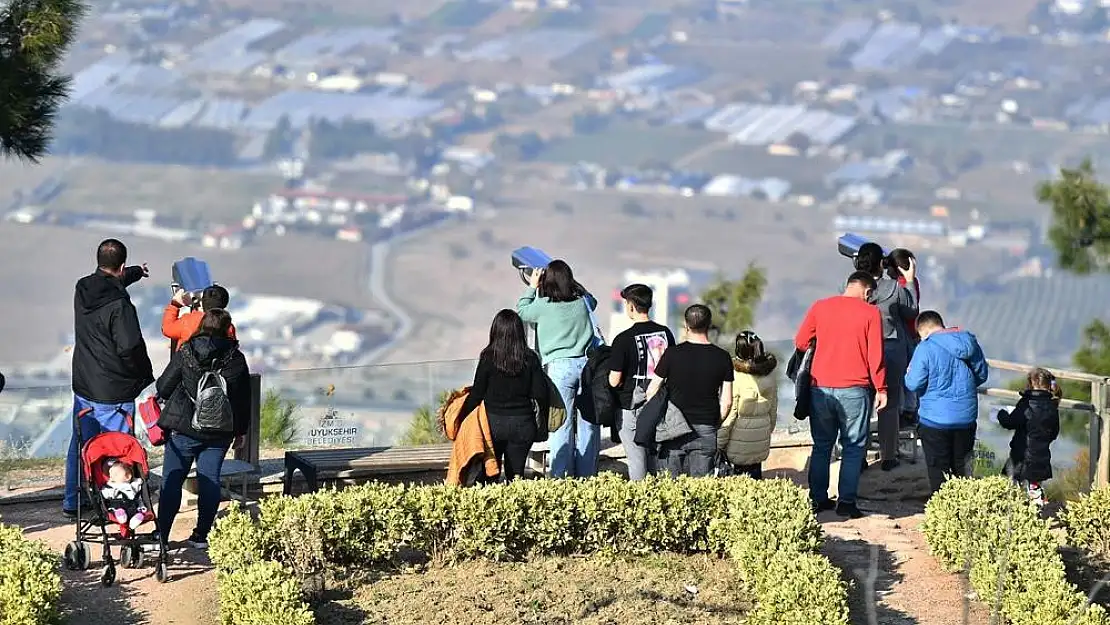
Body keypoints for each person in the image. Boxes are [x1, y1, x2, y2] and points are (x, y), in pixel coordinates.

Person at [64, 239, 155, 517]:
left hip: (84, 384)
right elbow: (130, 347)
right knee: (118, 449)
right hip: (115, 390)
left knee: (82, 444)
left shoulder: (83, 288)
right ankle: (118, 505)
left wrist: (137, 272)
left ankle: (73, 501)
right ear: (121, 265)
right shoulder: (121, 307)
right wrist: (144, 375)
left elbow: (110, 281)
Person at [155, 309, 251, 549]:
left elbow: (164, 387)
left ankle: (162, 536)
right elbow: (242, 399)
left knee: (172, 481)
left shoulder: (186, 351)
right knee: (210, 481)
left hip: (184, 428)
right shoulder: (236, 357)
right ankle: (201, 535)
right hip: (220, 432)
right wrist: (240, 431)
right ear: (228, 328)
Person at [795, 271, 886, 519]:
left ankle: (817, 499)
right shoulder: (871, 313)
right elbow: (875, 356)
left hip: (819, 389)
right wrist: (881, 388)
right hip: (855, 390)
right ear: (867, 291)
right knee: (854, 447)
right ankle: (846, 502)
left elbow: (801, 342)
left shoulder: (820, 307)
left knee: (822, 445)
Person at [517, 260, 598, 478]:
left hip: (559, 369)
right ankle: (587, 477)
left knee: (561, 424)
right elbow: (593, 300)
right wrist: (572, 283)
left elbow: (522, 310)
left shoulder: (543, 306)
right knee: (588, 424)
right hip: (585, 366)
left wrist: (532, 285)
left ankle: (561, 478)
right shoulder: (582, 303)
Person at [459, 309, 551, 481]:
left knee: (489, 475)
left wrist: (462, 418)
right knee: (516, 477)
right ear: (519, 332)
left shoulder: (488, 357)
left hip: (493, 425)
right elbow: (540, 394)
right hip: (523, 425)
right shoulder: (530, 358)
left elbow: (477, 394)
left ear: (495, 331)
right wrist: (541, 425)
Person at [904, 310, 989, 495]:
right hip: (965, 417)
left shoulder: (925, 348)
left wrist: (909, 371)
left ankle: (943, 512)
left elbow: (913, 383)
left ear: (923, 331)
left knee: (938, 469)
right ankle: (964, 510)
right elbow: (982, 374)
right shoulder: (968, 341)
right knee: (962, 468)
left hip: (934, 419)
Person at [645, 304, 733, 478]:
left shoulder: (672, 354)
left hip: (673, 429)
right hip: (706, 428)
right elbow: (727, 401)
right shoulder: (722, 357)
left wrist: (661, 417)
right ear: (709, 325)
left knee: (670, 490)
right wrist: (714, 423)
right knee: (701, 492)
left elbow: (652, 390)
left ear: (686, 325)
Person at [855, 242, 918, 470]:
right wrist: (909, 280)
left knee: (862, 403)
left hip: (860, 350)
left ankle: (858, 455)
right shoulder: (894, 288)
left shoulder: (851, 287)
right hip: (890, 349)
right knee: (889, 405)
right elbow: (911, 310)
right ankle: (888, 456)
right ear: (882, 264)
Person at [607, 284, 676, 480]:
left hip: (632, 406)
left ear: (630, 306)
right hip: (661, 403)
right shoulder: (666, 333)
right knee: (658, 456)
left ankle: (642, 501)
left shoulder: (623, 339)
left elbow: (614, 380)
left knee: (637, 459)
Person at [717, 331, 778, 479]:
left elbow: (730, 415)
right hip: (760, 440)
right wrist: (765, 432)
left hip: (738, 445)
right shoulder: (769, 376)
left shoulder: (736, 378)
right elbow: (773, 412)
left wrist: (719, 443)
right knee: (756, 480)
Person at [996, 367, 1061, 506]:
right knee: (1034, 486)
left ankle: (1014, 515)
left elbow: (1010, 422)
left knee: (1008, 485)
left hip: (1021, 454)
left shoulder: (1026, 403)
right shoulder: (1052, 406)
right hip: (1041, 455)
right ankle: (1036, 508)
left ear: (1030, 384)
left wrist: (1000, 413)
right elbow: (1054, 433)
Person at [890, 248, 921, 425]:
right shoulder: (912, 282)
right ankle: (909, 409)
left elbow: (910, 310)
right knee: (908, 372)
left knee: (904, 374)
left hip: (905, 335)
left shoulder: (901, 285)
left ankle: (907, 410)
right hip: (912, 333)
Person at [163, 284, 237, 351]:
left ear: (203, 302)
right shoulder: (228, 326)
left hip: (189, 365)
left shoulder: (188, 321)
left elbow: (167, 329)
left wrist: (174, 305)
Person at [100, 459, 152, 537]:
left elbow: (139, 493)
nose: (112, 476)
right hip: (117, 507)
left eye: (116, 474)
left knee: (138, 513)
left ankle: (134, 521)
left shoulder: (134, 484)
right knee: (119, 511)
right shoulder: (111, 486)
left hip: (132, 507)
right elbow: (105, 493)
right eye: (111, 474)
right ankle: (122, 517)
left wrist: (142, 506)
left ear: (128, 476)